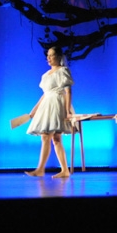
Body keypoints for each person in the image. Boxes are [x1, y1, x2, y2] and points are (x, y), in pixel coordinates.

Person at [25, 46, 74, 178]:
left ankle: (41, 169)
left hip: (57, 103)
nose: (48, 58)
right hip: (47, 104)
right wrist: (34, 110)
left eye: (51, 55)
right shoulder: (45, 75)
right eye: (47, 55)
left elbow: (68, 91)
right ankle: (64, 170)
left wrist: (67, 111)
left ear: (58, 56)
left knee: (47, 136)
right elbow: (45, 94)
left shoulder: (63, 71)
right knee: (55, 138)